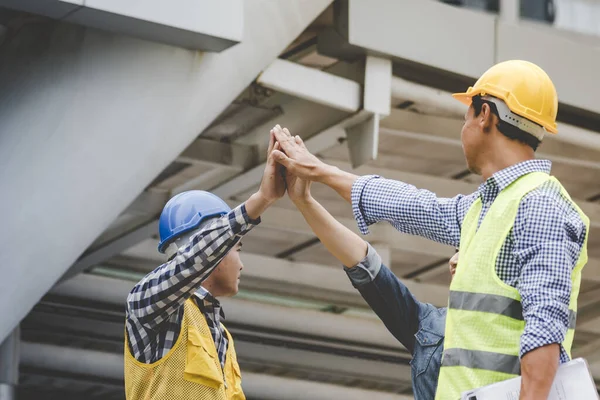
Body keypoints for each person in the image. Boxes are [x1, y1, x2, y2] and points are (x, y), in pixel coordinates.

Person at [270, 60, 590, 400]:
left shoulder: (538, 204)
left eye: (466, 114)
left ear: (485, 115)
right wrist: (321, 171)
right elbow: (417, 206)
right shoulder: (489, 206)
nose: (463, 128)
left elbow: (545, 334)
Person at [282, 148, 457, 399]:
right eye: (456, 249)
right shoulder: (430, 326)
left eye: (469, 252)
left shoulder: (521, 326)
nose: (455, 260)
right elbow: (365, 266)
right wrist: (304, 202)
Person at [123, 136, 287, 399]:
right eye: (237, 248)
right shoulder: (147, 306)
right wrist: (261, 200)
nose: (242, 265)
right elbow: (190, 262)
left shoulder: (221, 335)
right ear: (215, 248)